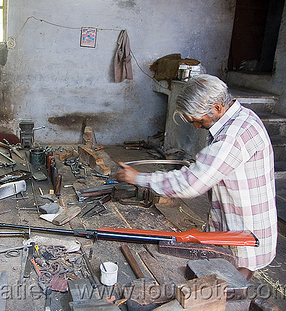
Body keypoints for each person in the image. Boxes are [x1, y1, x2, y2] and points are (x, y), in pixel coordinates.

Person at [116, 74, 277, 281]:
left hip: (245, 226)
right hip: (232, 218)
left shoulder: (233, 137)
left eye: (199, 120)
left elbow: (190, 184)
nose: (197, 127)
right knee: (223, 271)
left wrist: (138, 178)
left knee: (235, 279)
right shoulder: (243, 117)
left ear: (217, 108)